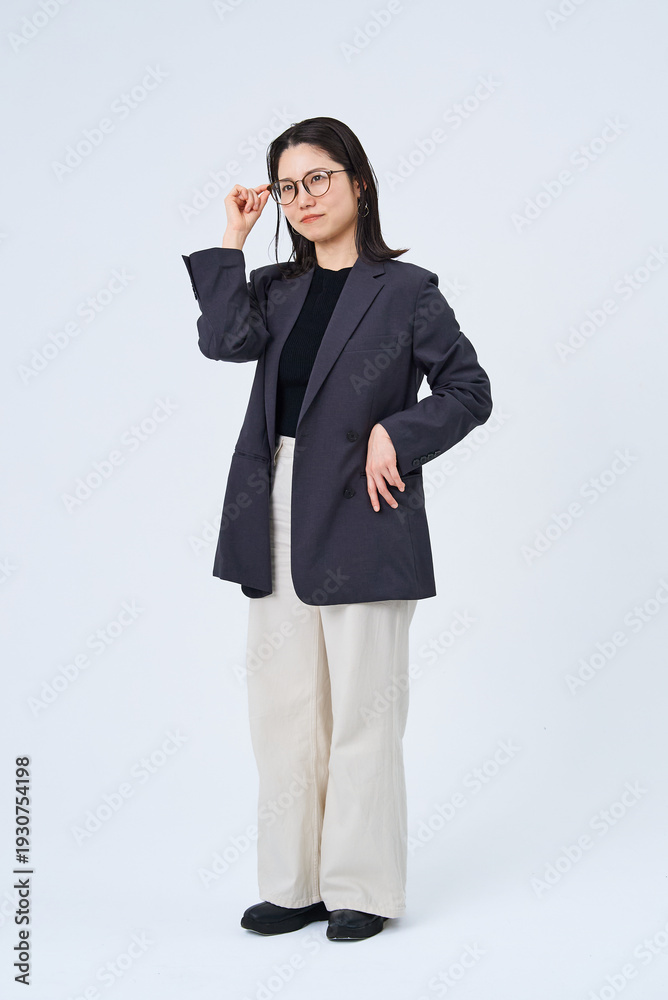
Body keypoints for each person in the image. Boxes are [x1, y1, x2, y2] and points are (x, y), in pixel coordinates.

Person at [182, 116, 493, 941]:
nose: (304, 198)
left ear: (358, 181)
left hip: (365, 510)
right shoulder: (275, 289)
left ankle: (360, 887)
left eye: (318, 178)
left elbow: (468, 390)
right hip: (274, 506)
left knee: (362, 710)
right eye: (289, 186)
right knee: (282, 707)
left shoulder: (407, 291)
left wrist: (399, 432)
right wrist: (232, 239)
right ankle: (295, 885)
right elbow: (222, 342)